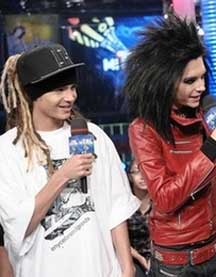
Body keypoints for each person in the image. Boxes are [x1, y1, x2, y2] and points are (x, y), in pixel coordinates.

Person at [0, 44, 140, 277]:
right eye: (60, 90)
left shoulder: (93, 135)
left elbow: (116, 207)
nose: (70, 97)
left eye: (73, 88)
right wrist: (63, 175)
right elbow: (18, 225)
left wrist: (126, 268)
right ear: (33, 94)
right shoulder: (8, 149)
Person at [126, 14, 216, 276]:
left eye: (203, 78)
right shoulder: (143, 128)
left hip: (215, 255)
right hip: (175, 264)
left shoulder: (204, 120)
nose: (201, 88)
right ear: (164, 82)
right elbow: (164, 198)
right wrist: (209, 150)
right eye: (190, 81)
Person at [127, 159, 151, 276]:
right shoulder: (124, 205)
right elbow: (118, 240)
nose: (142, 176)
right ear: (130, 177)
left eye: (146, 171)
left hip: (159, 258)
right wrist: (140, 258)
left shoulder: (160, 203)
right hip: (132, 257)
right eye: (136, 172)